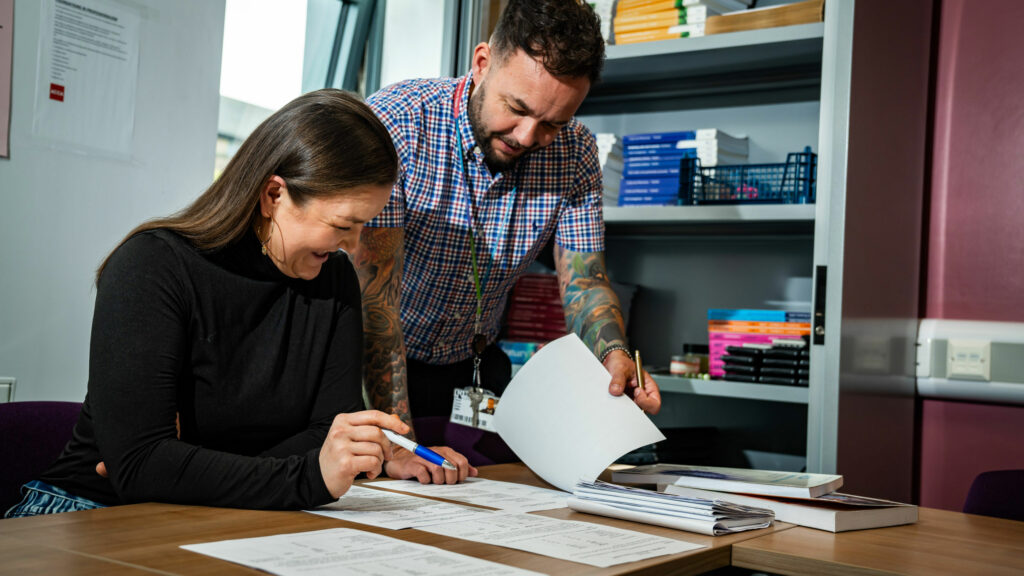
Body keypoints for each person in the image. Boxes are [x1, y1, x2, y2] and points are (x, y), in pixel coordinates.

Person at [4, 90, 474, 520]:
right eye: (343, 225)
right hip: (87, 511)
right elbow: (141, 465)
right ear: (274, 194)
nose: (353, 246)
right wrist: (307, 473)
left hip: (231, 513)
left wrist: (189, 465)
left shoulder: (334, 280)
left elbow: (328, 433)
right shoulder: (152, 267)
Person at [352, 0, 661, 465]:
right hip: (370, 366)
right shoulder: (400, 123)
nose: (526, 135)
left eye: (552, 123)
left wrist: (613, 353)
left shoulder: (575, 154)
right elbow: (376, 306)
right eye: (516, 108)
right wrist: (398, 445)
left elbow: (585, 284)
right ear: (482, 63)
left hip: (474, 372)